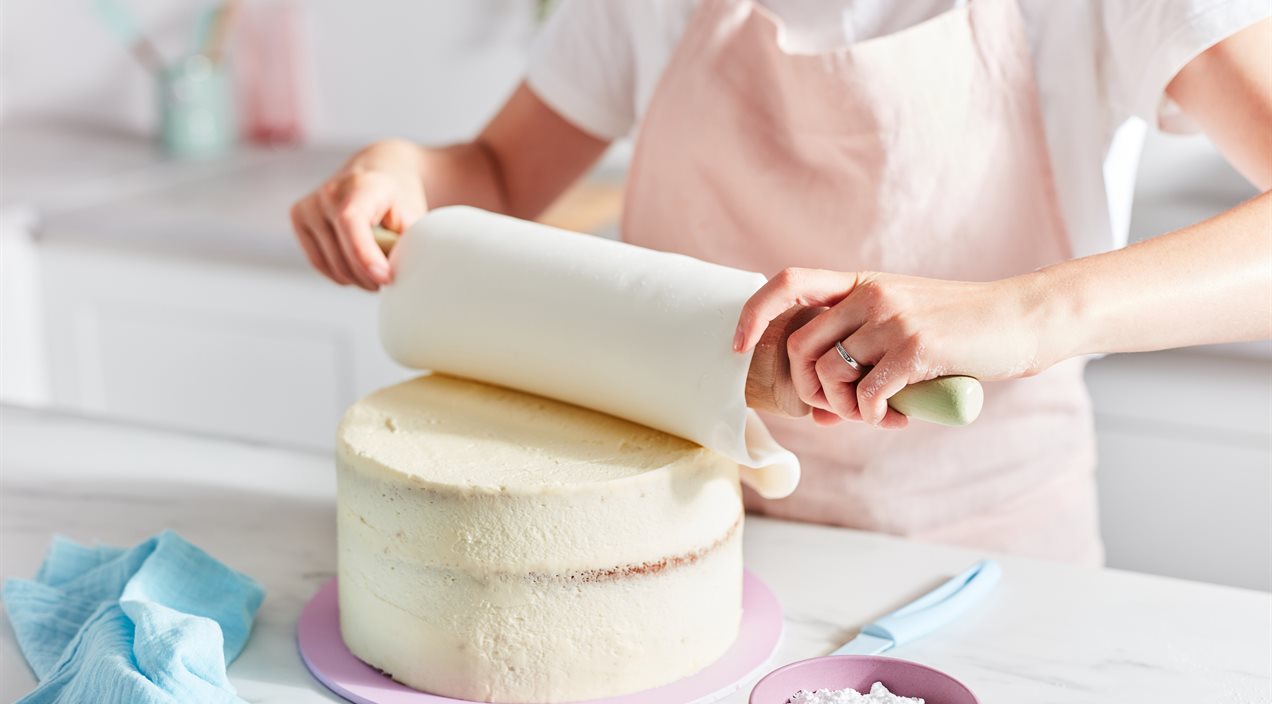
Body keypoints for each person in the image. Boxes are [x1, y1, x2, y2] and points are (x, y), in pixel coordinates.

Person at [291, 0, 1271, 564]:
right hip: (676, 537)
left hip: (985, 551)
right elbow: (501, 176)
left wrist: (1016, 311)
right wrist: (405, 173)